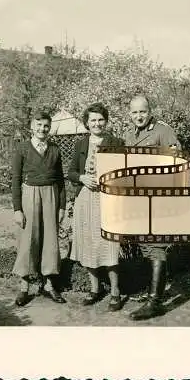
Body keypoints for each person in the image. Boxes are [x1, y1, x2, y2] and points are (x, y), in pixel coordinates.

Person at [124, 95, 182, 321]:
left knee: (156, 247)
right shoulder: (130, 135)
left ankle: (154, 303)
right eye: (134, 112)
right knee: (147, 247)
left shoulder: (163, 131)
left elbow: (176, 163)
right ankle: (152, 292)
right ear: (130, 114)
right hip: (139, 199)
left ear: (150, 111)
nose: (138, 116)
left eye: (142, 112)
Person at [68, 103, 124, 312]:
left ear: (106, 121)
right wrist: (82, 177)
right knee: (89, 243)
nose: (97, 123)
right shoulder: (80, 144)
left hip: (107, 200)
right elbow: (71, 172)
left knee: (110, 244)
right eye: (93, 120)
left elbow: (123, 173)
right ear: (87, 123)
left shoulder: (116, 142)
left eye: (100, 119)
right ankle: (94, 289)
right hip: (85, 199)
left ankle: (116, 292)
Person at [11, 111, 66, 306]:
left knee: (51, 240)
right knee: (28, 240)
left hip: (51, 194)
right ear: (32, 127)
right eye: (39, 125)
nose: (42, 129)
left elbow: (60, 180)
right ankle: (24, 286)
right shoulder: (22, 148)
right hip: (29, 194)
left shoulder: (55, 149)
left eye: (46, 126)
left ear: (49, 128)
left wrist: (62, 207)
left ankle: (49, 284)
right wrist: (17, 209)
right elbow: (16, 180)